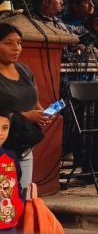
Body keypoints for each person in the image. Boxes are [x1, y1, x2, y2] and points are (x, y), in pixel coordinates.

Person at [0, 23, 59, 195]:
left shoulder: (24, 69)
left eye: (19, 43)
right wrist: (27, 116)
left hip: (23, 144)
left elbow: (34, 100)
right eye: (8, 43)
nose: (16, 48)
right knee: (5, 200)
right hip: (3, 143)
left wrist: (43, 113)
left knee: (22, 198)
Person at [0, 110, 41, 232]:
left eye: (5, 128)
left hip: (9, 221)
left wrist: (19, 203)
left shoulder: (11, 157)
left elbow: (17, 182)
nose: (1, 133)